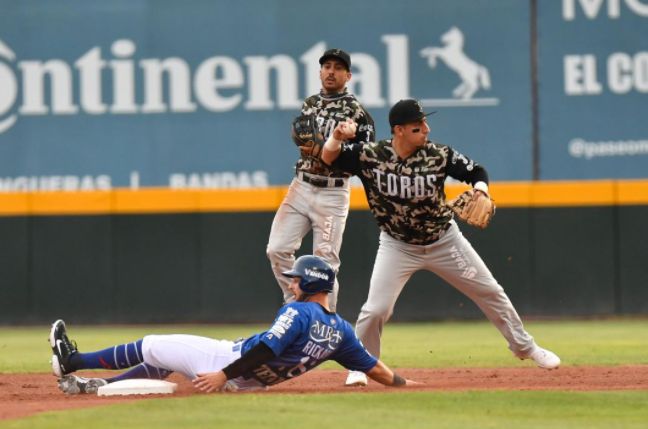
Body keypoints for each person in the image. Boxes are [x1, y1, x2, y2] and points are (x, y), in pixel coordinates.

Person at [320, 99, 561, 387]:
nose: (426, 129)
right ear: (399, 130)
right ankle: (361, 366)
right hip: (397, 245)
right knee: (376, 309)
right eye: (417, 126)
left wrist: (481, 192)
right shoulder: (371, 155)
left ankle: (525, 347)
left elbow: (476, 172)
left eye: (424, 124)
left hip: (444, 241)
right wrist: (336, 136)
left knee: (490, 291)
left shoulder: (438, 155)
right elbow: (328, 158)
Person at [48, 255, 414, 394]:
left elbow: (264, 348)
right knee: (164, 362)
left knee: (153, 344)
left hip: (226, 362)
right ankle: (98, 387)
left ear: (314, 284)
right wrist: (405, 384)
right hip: (252, 384)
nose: (291, 283)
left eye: (297, 279)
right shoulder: (342, 331)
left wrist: (223, 374)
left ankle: (72, 362)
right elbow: (374, 369)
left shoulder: (297, 312)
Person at [266, 48, 375, 311]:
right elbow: (303, 140)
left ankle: (325, 324)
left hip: (333, 193)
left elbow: (365, 158)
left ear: (348, 76)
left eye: (338, 68)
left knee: (325, 265)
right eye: (326, 66)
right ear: (320, 72)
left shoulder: (357, 113)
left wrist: (338, 147)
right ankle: (297, 307)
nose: (331, 71)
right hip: (301, 186)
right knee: (277, 249)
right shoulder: (310, 103)